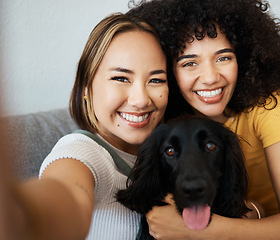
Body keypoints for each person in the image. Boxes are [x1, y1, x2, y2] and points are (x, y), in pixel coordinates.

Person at [127, 0, 280, 239]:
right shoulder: (168, 124)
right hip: (237, 216)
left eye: (223, 58)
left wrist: (201, 232)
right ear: (169, 69)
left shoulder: (267, 107)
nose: (210, 77)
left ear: (243, 58)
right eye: (189, 63)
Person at [1, 12, 168, 239]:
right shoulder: (82, 152)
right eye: (121, 78)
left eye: (156, 80)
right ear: (87, 88)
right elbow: (67, 194)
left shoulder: (167, 154)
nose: (141, 100)